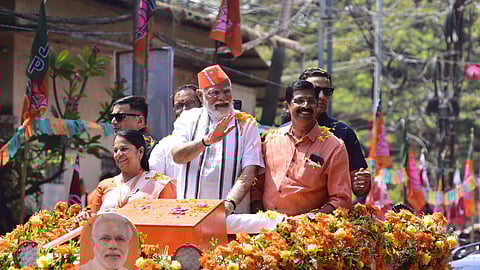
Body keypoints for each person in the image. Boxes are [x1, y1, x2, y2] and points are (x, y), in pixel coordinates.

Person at [170, 64, 264, 214]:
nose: (222, 98)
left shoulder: (246, 123)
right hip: (190, 214)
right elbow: (177, 156)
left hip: (231, 215)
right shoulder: (188, 118)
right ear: (200, 96)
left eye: (227, 92)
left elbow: (250, 170)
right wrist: (205, 141)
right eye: (215, 93)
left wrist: (230, 204)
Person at [251, 80, 352, 216]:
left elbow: (341, 201)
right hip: (265, 227)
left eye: (311, 101)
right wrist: (259, 216)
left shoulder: (334, 147)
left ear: (317, 106)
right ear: (287, 106)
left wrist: (306, 221)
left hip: (308, 232)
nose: (305, 106)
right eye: (299, 101)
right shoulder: (270, 140)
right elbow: (256, 185)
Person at [299, 68, 372, 198]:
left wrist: (361, 183)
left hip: (330, 215)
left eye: (327, 92)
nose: (322, 97)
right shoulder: (280, 135)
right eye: (316, 91)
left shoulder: (344, 133)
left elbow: (359, 187)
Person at [75, 130, 176, 222]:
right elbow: (93, 220)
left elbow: (168, 221)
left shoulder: (159, 184)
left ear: (140, 151)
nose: (119, 154)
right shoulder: (105, 185)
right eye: (115, 150)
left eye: (124, 149)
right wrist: (84, 217)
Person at [149, 84, 202, 178]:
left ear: (201, 105)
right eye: (179, 106)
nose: (184, 109)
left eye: (189, 104)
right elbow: (155, 181)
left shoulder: (214, 139)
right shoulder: (164, 146)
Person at [109, 96, 157, 160]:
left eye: (119, 117)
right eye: (111, 117)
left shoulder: (150, 149)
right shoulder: (126, 143)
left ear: (140, 121)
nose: (113, 122)